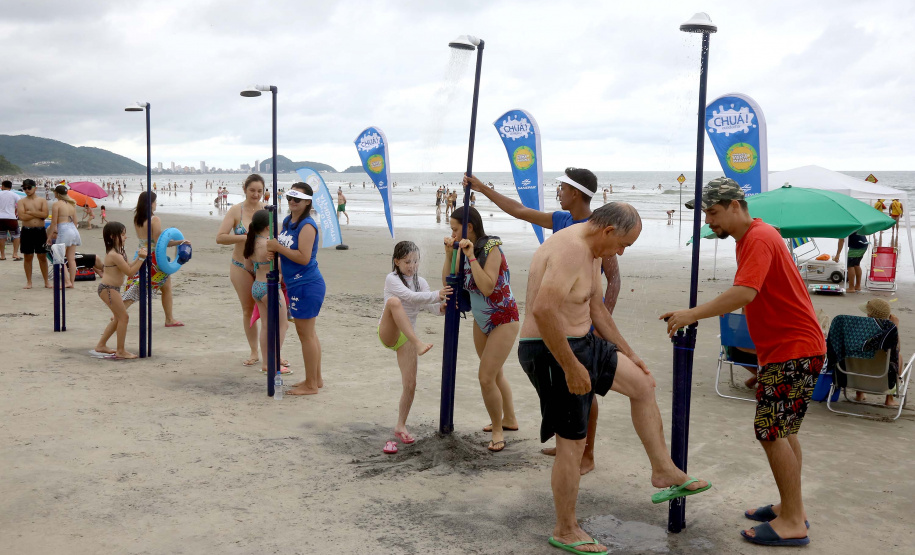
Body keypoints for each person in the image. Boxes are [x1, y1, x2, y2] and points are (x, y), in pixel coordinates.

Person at [521, 203, 710, 554]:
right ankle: (565, 529)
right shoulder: (570, 250)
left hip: (584, 340)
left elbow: (595, 309)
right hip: (549, 349)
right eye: (623, 245)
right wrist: (571, 366)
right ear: (608, 231)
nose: (621, 253)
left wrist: (629, 352)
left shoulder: (592, 250)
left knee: (643, 383)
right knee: (572, 442)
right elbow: (543, 310)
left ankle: (663, 471)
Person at [661, 177, 824, 547]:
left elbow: (744, 292)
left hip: (793, 349)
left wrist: (692, 314)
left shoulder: (758, 238)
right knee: (784, 431)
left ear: (736, 205)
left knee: (771, 432)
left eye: (714, 212)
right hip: (794, 347)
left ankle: (794, 521)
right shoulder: (754, 238)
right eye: (705, 213)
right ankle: (789, 505)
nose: (709, 220)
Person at [465, 169, 625, 470]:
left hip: (584, 321)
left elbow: (614, 280)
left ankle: (587, 454)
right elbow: (520, 211)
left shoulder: (598, 229)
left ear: (575, 193)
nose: (559, 192)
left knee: (586, 390)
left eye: (562, 188)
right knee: (565, 383)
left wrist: (600, 324)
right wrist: (482, 189)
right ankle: (568, 441)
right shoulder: (563, 221)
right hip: (557, 321)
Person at [445, 207, 521, 452]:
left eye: (455, 229)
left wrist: (472, 257)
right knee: (495, 374)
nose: (453, 234)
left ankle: (498, 430)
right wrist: (449, 255)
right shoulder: (460, 249)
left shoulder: (491, 249)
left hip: (504, 318)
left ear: (468, 227)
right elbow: (449, 283)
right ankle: (509, 419)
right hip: (481, 319)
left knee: (486, 377)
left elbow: (487, 287)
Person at [379, 241, 450, 452]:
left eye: (416, 261)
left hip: (407, 338)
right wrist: (438, 294)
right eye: (407, 262)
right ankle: (418, 342)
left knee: (410, 384)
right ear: (397, 262)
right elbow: (410, 297)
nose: (412, 265)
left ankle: (401, 424)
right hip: (389, 331)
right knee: (394, 303)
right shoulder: (391, 279)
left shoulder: (421, 282)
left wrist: (442, 306)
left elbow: (432, 308)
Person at [268, 183, 325, 396]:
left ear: (308, 202)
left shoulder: (308, 226)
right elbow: (281, 248)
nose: (292, 201)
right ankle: (315, 379)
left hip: (307, 285)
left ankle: (311, 385)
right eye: (290, 197)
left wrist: (277, 248)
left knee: (306, 335)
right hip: (295, 284)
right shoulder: (287, 221)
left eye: (297, 199)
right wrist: (275, 255)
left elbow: (303, 257)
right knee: (310, 334)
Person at [216, 174, 267, 367]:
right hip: (240, 266)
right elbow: (220, 237)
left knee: (270, 311)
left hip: (263, 267)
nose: (256, 194)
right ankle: (254, 351)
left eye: (260, 191)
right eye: (252, 190)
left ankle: (271, 351)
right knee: (248, 309)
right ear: (245, 189)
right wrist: (245, 238)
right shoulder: (236, 210)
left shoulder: (267, 211)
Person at [243, 209, 292, 376]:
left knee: (265, 326)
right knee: (282, 325)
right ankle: (274, 360)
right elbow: (280, 267)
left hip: (257, 286)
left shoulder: (252, 242)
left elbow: (248, 266)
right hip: (270, 288)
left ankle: (266, 362)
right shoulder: (268, 244)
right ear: (268, 226)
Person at [95, 222, 148, 359]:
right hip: (108, 289)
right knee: (124, 317)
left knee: (118, 318)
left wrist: (139, 258)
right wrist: (141, 259)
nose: (125, 237)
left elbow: (129, 265)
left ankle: (101, 345)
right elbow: (130, 272)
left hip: (112, 289)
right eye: (122, 234)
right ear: (113, 236)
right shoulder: (114, 255)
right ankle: (120, 350)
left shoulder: (120, 253)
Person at [853, 298, 902, 406]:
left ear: (869, 315)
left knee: (859, 354)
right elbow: (897, 348)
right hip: (881, 379)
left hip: (855, 377)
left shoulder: (858, 331)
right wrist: (895, 328)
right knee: (898, 357)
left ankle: (859, 394)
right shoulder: (887, 336)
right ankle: (889, 399)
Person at [17, 179, 51, 289]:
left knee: (42, 256)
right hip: (27, 230)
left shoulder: (42, 201)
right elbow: (22, 217)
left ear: (35, 187)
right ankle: (29, 282)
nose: (27, 190)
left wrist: (30, 212)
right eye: (25, 188)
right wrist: (38, 214)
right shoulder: (22, 201)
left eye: (29, 187)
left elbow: (45, 214)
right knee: (28, 256)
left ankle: (46, 281)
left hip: (40, 231)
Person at [48, 185, 81, 288]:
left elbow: (54, 223)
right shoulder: (72, 205)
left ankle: (67, 281)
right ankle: (72, 282)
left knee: (59, 257)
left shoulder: (56, 205)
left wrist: (49, 237)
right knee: (71, 258)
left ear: (57, 193)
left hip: (63, 229)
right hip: (73, 230)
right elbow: (75, 221)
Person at [0, 180, 22, 261]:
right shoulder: (15, 195)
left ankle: (2, 255)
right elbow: (20, 205)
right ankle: (15, 254)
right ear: (10, 187)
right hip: (11, 217)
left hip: (0, 218)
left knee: (1, 237)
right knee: (16, 236)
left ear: (2, 186)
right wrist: (18, 213)